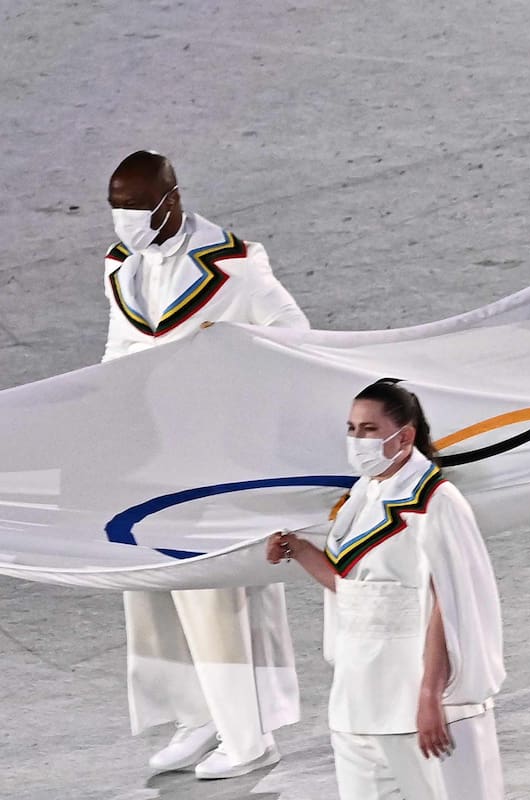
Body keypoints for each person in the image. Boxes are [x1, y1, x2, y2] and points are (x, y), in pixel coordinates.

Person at [103, 150, 309, 779]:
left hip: (218, 458)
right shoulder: (120, 265)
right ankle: (197, 716)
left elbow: (294, 334)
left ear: (171, 199)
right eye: (117, 209)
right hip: (151, 454)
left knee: (216, 596)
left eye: (137, 207)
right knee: (153, 590)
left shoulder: (234, 264)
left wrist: (234, 393)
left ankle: (248, 735)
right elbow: (118, 347)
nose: (126, 221)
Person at [266, 380, 505, 800]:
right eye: (352, 428)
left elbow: (447, 604)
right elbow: (354, 591)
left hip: (418, 700)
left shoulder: (437, 502)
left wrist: (429, 695)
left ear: (405, 436)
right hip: (357, 700)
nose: (357, 440)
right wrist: (299, 550)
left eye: (369, 429)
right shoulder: (362, 496)